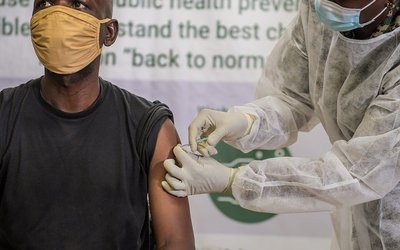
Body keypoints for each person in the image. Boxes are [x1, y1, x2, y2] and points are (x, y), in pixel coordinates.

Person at [161, 0, 400, 249]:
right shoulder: (316, 12)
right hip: (352, 224)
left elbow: (356, 174)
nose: (327, 5)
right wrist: (245, 120)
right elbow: (292, 97)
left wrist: (234, 180)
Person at [0, 0, 195, 249]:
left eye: (79, 5)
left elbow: (175, 242)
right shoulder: (4, 114)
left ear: (109, 32)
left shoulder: (151, 128)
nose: (59, 16)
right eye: (46, 4)